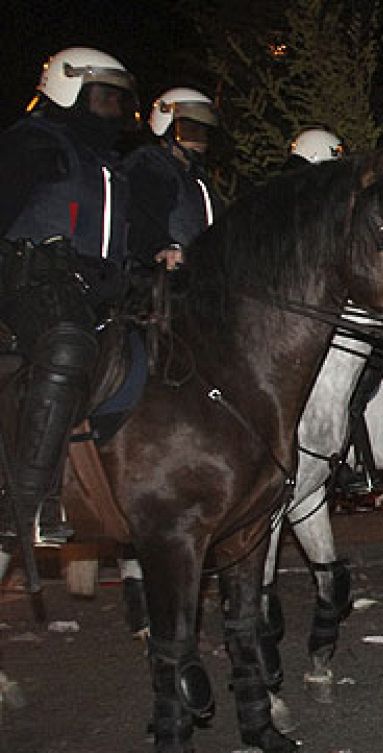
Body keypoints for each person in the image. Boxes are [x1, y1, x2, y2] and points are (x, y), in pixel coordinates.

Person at [1, 47, 139, 546]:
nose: (113, 110)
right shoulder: (33, 142)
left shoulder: (108, 165)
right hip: (33, 282)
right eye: (103, 97)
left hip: (98, 291)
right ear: (68, 87)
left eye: (118, 100)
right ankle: (26, 502)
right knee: (67, 344)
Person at [122, 88, 220, 270]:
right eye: (190, 131)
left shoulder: (198, 179)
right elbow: (141, 217)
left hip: (198, 279)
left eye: (203, 133)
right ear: (165, 127)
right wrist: (163, 247)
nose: (198, 141)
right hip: (161, 280)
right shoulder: (152, 166)